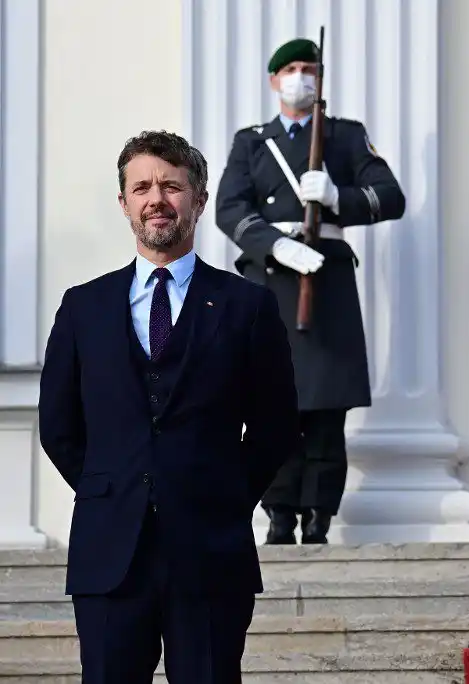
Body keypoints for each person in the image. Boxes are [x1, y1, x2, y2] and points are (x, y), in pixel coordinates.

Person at [38, 130, 301, 683]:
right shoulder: (83, 308)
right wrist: (111, 487)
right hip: (109, 554)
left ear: (198, 200)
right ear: (124, 203)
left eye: (171, 186)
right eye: (142, 187)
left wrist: (224, 492)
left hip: (211, 550)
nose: (156, 198)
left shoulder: (247, 306)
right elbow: (59, 427)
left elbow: (276, 426)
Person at [216, 37, 406, 545]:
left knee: (326, 408)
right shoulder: (253, 142)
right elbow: (229, 209)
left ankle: (319, 516)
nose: (301, 77)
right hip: (272, 283)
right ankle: (278, 515)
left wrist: (338, 196)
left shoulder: (344, 136)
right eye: (291, 69)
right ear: (274, 79)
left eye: (310, 68)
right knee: (270, 404)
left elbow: (390, 197)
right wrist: (276, 246)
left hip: (327, 282)